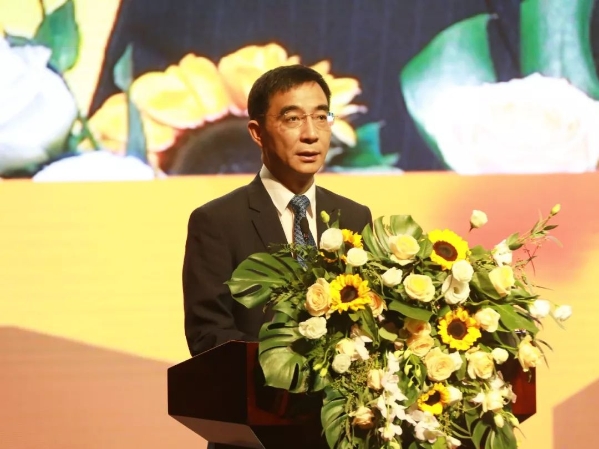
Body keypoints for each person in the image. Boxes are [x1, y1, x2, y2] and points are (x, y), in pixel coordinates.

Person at [182, 65, 372, 448]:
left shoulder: (355, 216)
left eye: (322, 116)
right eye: (293, 119)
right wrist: (297, 372)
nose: (311, 133)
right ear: (257, 132)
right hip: (257, 435)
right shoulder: (217, 221)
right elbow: (209, 335)